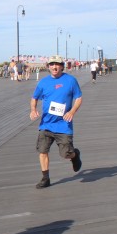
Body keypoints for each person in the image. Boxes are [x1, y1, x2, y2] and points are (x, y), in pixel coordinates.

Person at [30, 54, 82, 189]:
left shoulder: (70, 80)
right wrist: (33, 110)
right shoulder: (43, 82)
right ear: (48, 67)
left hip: (63, 124)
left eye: (57, 64)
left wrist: (72, 112)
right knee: (42, 151)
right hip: (46, 124)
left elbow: (78, 98)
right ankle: (45, 178)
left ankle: (75, 155)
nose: (54, 67)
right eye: (52, 64)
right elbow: (34, 98)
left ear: (62, 67)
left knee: (66, 154)